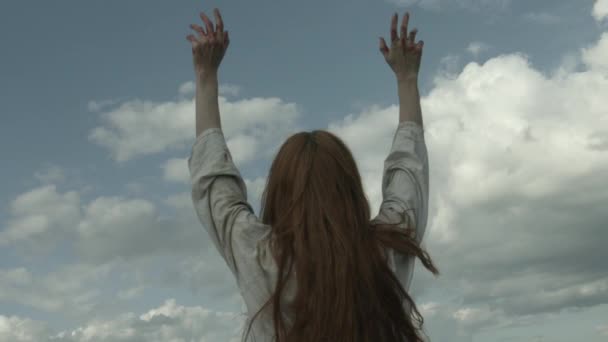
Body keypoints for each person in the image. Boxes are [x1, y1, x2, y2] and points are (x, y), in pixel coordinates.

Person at [186, 8, 439, 342]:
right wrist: (407, 79)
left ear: (278, 191)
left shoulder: (258, 256)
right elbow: (409, 173)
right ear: (350, 189)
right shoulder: (385, 251)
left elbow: (214, 182)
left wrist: (206, 75)